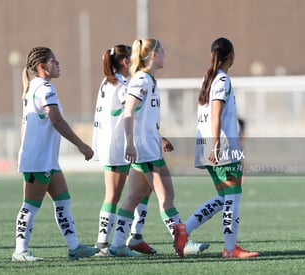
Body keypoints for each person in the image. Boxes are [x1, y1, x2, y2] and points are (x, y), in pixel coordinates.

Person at [107, 38, 209, 257]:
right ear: (153, 55)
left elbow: (142, 117)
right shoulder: (142, 80)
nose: (165, 54)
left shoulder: (148, 80)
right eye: (162, 51)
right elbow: (128, 113)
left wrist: (159, 136)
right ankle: (182, 242)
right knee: (166, 196)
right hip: (144, 150)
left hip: (148, 146)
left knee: (133, 197)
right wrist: (132, 144)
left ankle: (116, 245)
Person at [12, 46, 99, 261]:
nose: (58, 64)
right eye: (53, 61)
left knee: (63, 201)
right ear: (42, 66)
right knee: (30, 206)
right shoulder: (44, 88)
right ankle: (20, 251)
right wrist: (81, 145)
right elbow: (57, 121)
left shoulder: (35, 85)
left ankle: (74, 246)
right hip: (37, 160)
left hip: (47, 159)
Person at [179, 37, 259, 258]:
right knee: (233, 197)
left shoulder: (209, 78)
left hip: (206, 146)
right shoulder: (222, 79)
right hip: (221, 146)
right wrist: (216, 146)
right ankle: (230, 249)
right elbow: (216, 115)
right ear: (231, 56)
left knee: (224, 198)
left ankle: (184, 230)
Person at [92, 44, 156, 255]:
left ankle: (135, 235)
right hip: (119, 144)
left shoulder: (107, 82)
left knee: (143, 188)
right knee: (115, 194)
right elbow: (133, 110)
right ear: (125, 62)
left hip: (111, 142)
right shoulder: (122, 84)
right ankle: (105, 244)